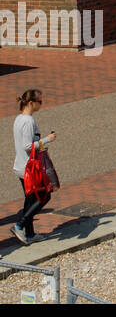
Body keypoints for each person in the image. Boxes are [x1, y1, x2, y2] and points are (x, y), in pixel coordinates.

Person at [11, 89, 56, 245]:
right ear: (31, 103)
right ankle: (19, 225)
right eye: (39, 101)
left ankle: (29, 234)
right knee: (44, 196)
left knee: (30, 200)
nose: (41, 104)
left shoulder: (18, 119)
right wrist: (47, 140)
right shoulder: (28, 121)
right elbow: (28, 146)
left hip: (21, 166)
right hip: (29, 169)